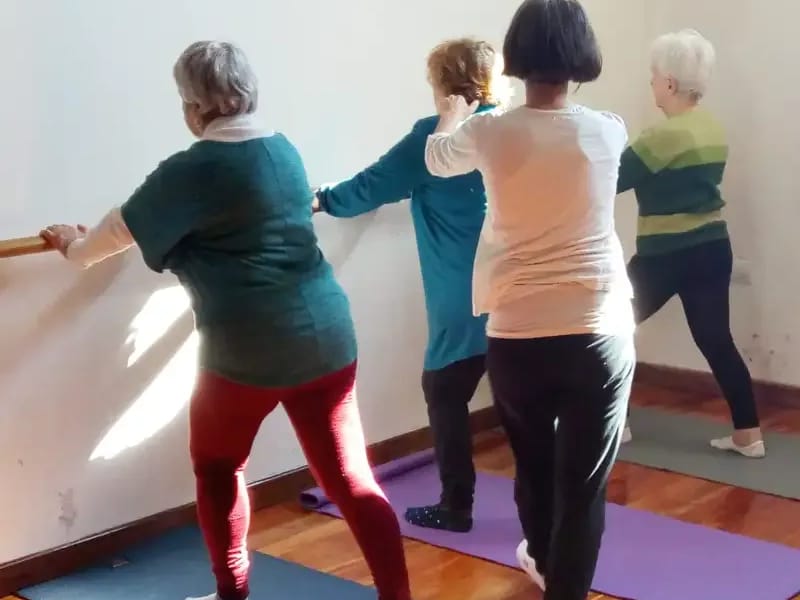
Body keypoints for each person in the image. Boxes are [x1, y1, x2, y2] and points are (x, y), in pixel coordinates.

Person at [39, 41, 412, 600]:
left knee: (217, 467)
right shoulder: (282, 150)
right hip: (327, 335)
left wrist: (71, 247)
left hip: (246, 351)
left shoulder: (193, 169)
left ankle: (231, 594)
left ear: (193, 107)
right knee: (351, 479)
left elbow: (116, 233)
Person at [424, 1, 635, 598]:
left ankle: (542, 557)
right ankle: (552, 573)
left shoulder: (489, 131)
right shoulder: (609, 128)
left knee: (535, 469)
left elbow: (437, 160)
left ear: (517, 57)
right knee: (582, 486)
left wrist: (449, 114)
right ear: (581, 58)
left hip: (518, 337)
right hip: (597, 331)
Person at [313, 38, 510, 533]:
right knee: (521, 404)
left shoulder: (433, 138)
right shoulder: (509, 129)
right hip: (516, 292)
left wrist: (319, 200)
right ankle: (550, 517)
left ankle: (456, 506)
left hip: (462, 301)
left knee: (444, 393)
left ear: (444, 86)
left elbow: (370, 186)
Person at [617, 29, 765, 458]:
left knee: (609, 330)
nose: (650, 84)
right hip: (713, 247)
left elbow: (612, 180)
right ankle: (749, 434)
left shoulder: (661, 137)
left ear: (668, 82)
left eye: (652, 76)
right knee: (717, 339)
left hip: (664, 255)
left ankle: (616, 423)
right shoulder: (712, 128)